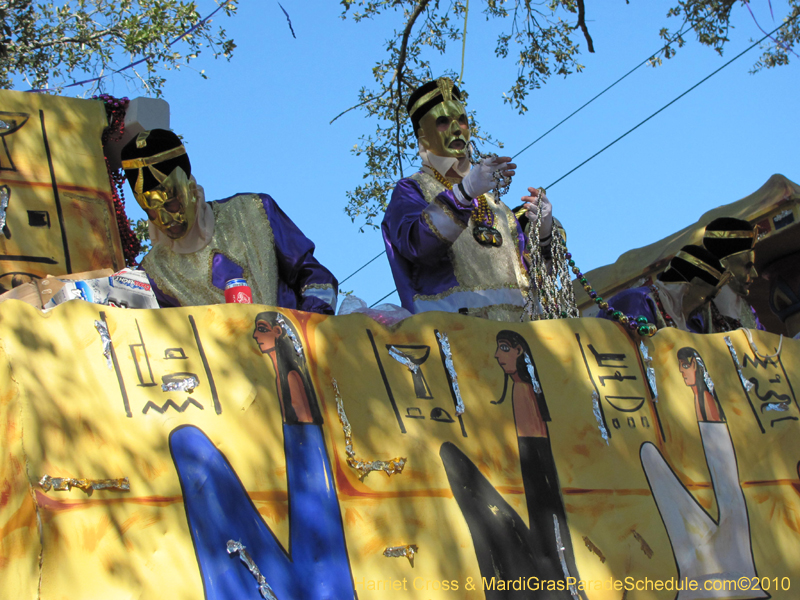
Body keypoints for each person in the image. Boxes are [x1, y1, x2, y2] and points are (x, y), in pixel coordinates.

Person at [381, 77, 555, 321]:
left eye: (461, 120)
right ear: (423, 135)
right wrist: (464, 193)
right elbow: (418, 246)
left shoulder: (498, 207)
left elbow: (536, 284)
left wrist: (543, 233)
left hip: (519, 344)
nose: (456, 129)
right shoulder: (412, 190)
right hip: (456, 342)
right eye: (442, 122)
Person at [120, 129, 338, 312]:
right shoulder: (153, 273)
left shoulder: (254, 211)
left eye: (171, 204)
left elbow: (315, 277)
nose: (165, 219)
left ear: (189, 188)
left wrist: (310, 325)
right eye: (152, 210)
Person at [599, 245, 724, 333]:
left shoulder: (694, 325)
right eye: (708, 297)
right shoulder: (637, 302)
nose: (706, 305)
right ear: (688, 287)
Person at [702, 217, 762, 331]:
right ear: (724, 266)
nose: (754, 274)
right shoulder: (699, 314)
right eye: (747, 266)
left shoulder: (748, 311)